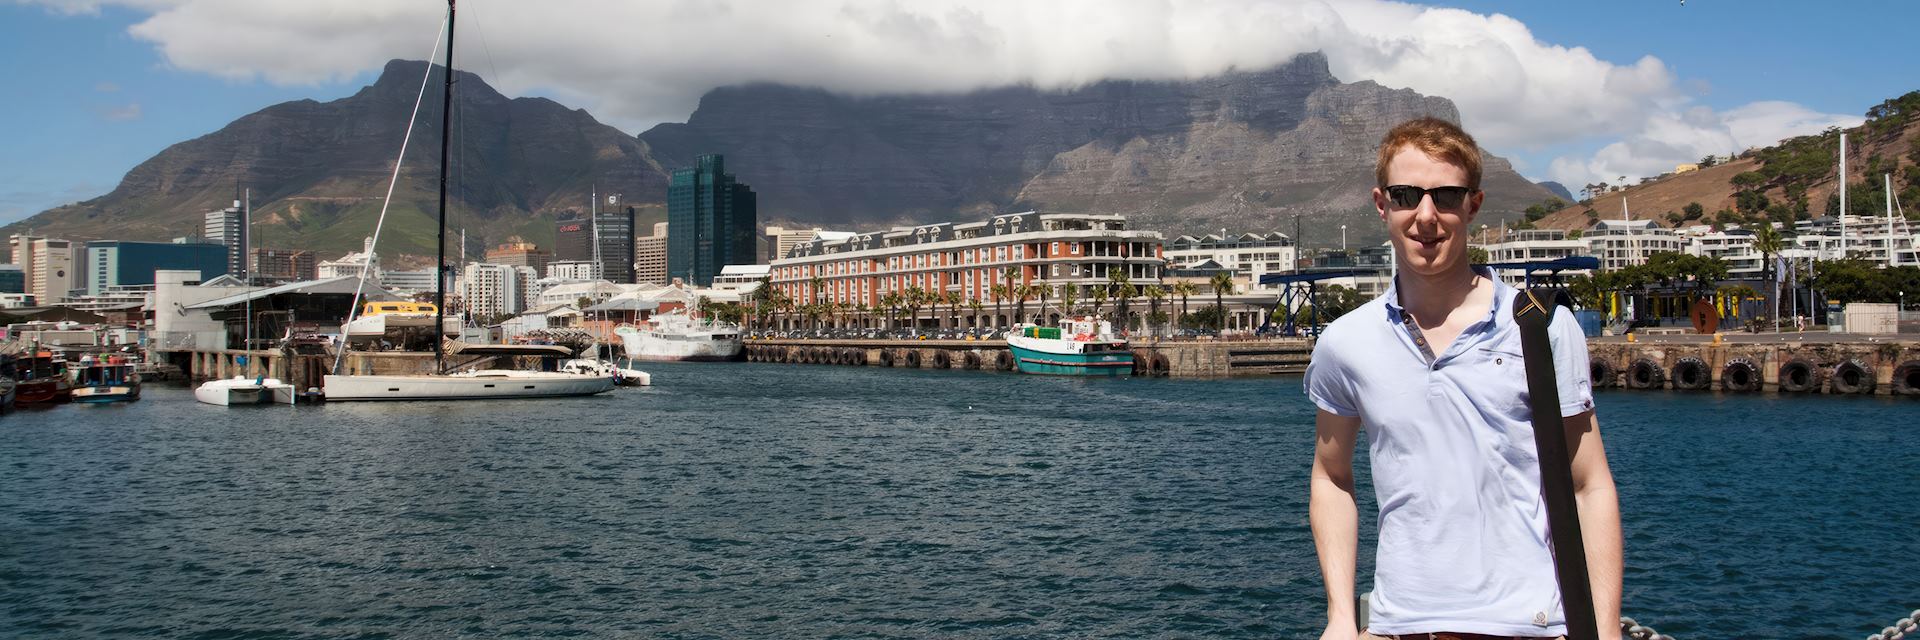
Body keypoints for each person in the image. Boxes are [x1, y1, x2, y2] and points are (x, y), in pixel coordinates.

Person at [1304, 117, 1623, 640]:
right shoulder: (1346, 342)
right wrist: (1341, 616)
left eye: (1446, 197)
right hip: (1399, 629)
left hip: (1532, 627)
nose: (1425, 217)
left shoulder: (1542, 326)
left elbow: (1590, 485)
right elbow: (1331, 477)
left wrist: (1606, 630)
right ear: (1382, 204)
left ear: (1473, 205)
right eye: (1407, 195)